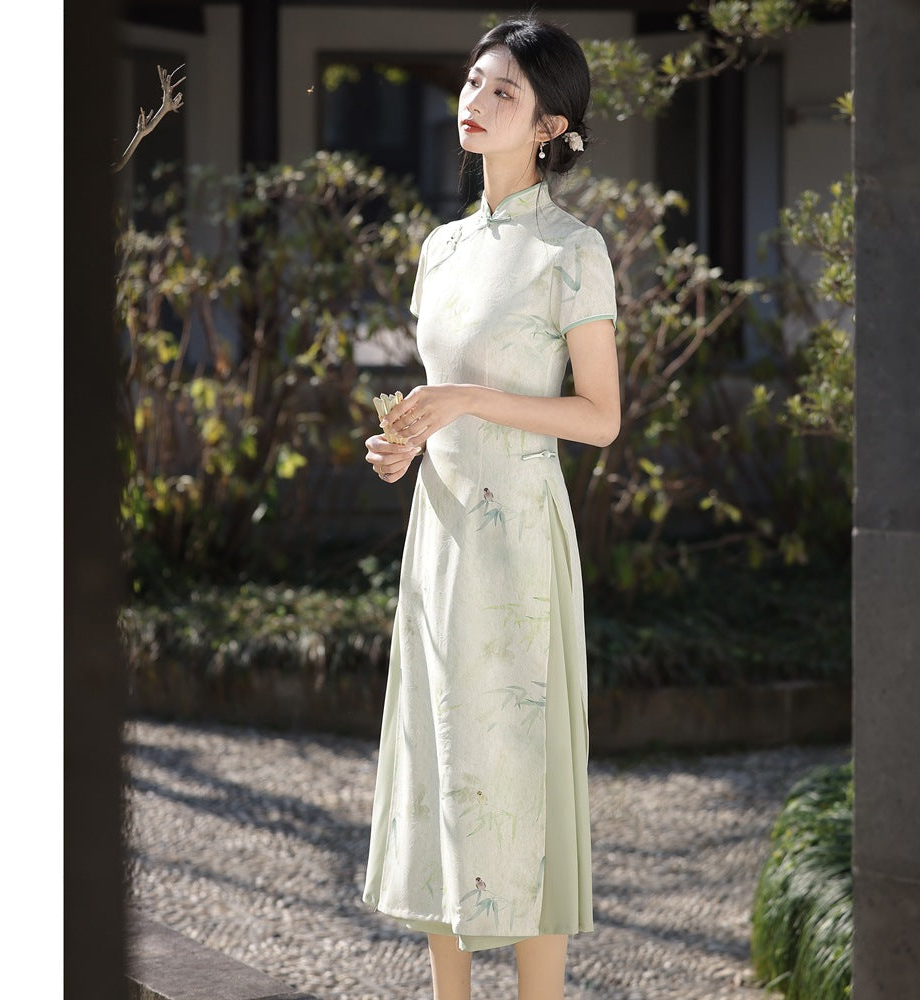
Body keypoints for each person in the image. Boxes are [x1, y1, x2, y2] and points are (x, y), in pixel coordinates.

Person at [362, 16, 620, 1000]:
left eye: (503, 92)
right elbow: (440, 400)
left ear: (549, 124)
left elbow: (597, 418)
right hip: (441, 538)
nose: (474, 102)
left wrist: (466, 401)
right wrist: (405, 443)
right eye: (472, 83)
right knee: (438, 759)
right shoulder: (440, 248)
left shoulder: (571, 249)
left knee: (517, 771)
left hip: (518, 546)